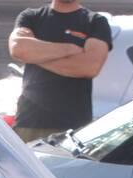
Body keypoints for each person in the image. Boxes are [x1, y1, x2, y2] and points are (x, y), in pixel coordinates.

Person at [8, 0, 111, 143]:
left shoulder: (95, 21)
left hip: (73, 127)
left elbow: (89, 67)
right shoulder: (31, 16)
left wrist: (35, 55)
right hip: (30, 123)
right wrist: (70, 48)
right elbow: (19, 48)